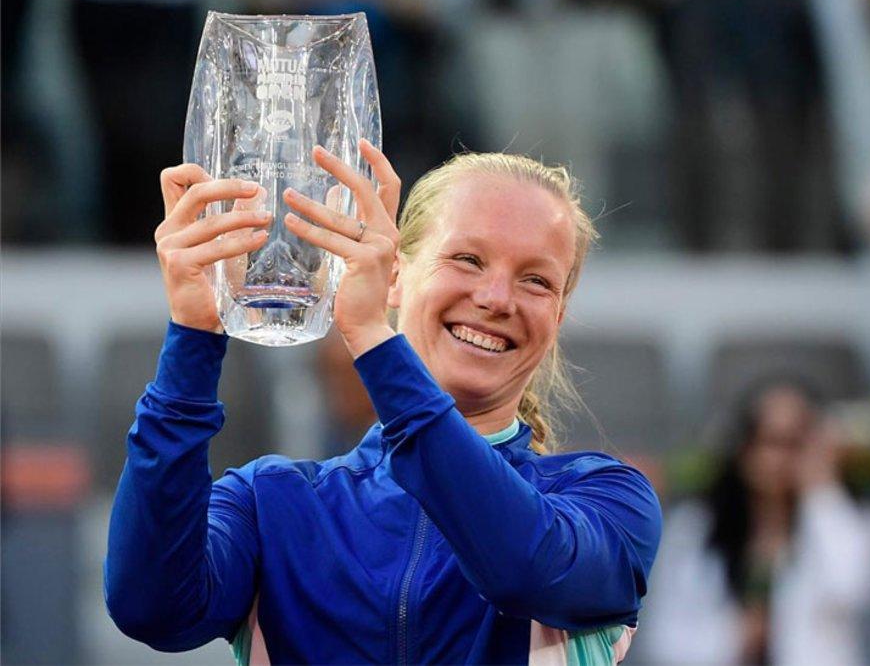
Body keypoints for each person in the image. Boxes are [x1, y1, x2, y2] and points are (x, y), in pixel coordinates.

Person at [104, 141, 662, 664]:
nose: (496, 299)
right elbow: (150, 608)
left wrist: (373, 337)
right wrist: (194, 335)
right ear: (394, 276)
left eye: (536, 281)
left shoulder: (607, 502)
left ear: (557, 317)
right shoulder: (271, 505)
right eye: (467, 259)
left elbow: (522, 567)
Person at [638, 377, 870, 666]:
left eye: (796, 443)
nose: (780, 458)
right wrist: (736, 635)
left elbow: (847, 589)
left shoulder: (843, 516)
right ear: (743, 446)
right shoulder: (697, 525)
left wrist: (821, 490)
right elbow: (662, 641)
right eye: (769, 441)